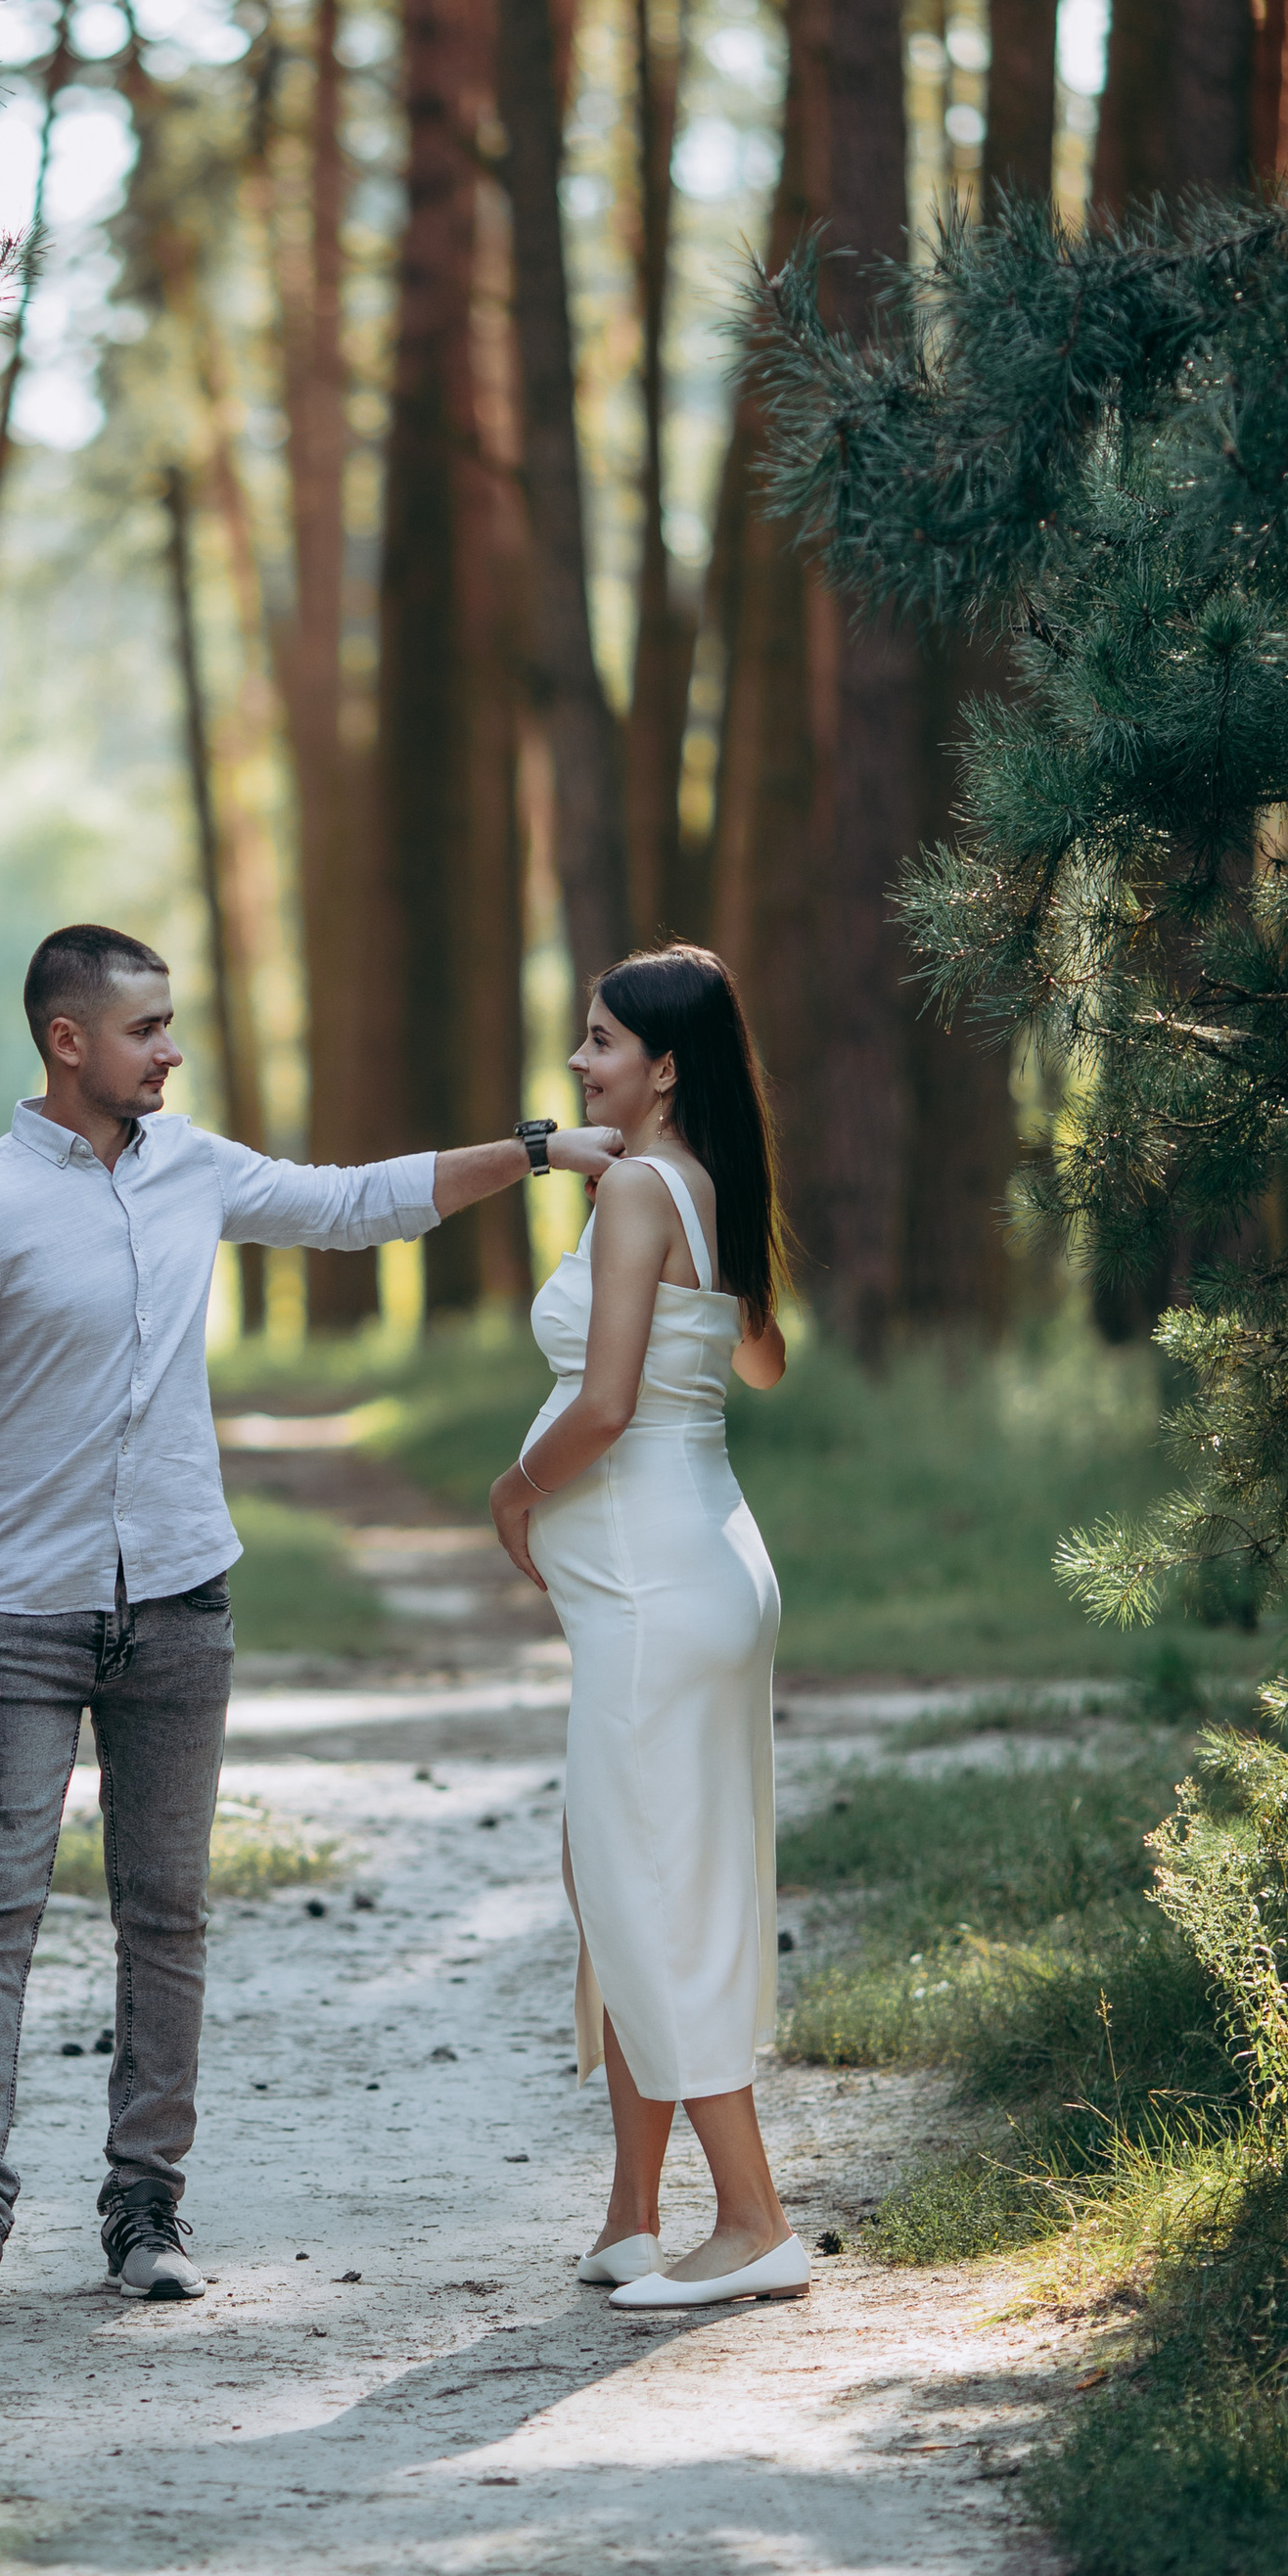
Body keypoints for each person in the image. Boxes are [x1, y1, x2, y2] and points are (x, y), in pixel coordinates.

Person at [0, 922, 612, 2318]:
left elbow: (353, 1204)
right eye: (147, 1028)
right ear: (68, 1042)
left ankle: (146, 2211)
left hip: (183, 1608)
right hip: (20, 1616)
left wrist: (538, 1152)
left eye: (172, 1025)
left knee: (167, 1915)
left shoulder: (193, 1167)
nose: (172, 1050)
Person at [486, 943, 809, 2311]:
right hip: (707, 1557)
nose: (579, 1059)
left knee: (646, 1890)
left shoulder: (639, 1197)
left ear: (664, 1067)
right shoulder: (697, 1184)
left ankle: (752, 2223)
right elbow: (757, 1355)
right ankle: (633, 2215)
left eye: (603, 1042)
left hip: (650, 1582)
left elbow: (608, 1403)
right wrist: (567, 1152)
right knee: (624, 1879)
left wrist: (514, 1498)